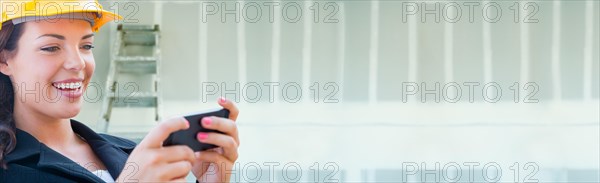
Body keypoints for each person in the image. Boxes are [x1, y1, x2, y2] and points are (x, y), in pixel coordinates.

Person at [0, 0, 240, 182]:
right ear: (4, 60)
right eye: (51, 47)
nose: (78, 63)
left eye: (86, 46)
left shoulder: (133, 153)